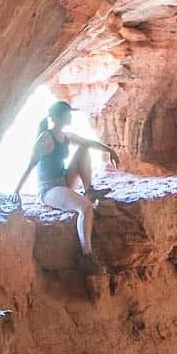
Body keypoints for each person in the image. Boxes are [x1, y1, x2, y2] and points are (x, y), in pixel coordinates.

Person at [16, 100, 118, 273]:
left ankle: (89, 190)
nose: (70, 116)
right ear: (57, 117)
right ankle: (87, 256)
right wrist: (16, 191)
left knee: (83, 149)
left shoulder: (65, 136)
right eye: (67, 114)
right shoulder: (45, 138)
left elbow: (87, 142)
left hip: (63, 181)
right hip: (48, 190)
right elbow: (30, 165)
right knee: (85, 208)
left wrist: (110, 151)